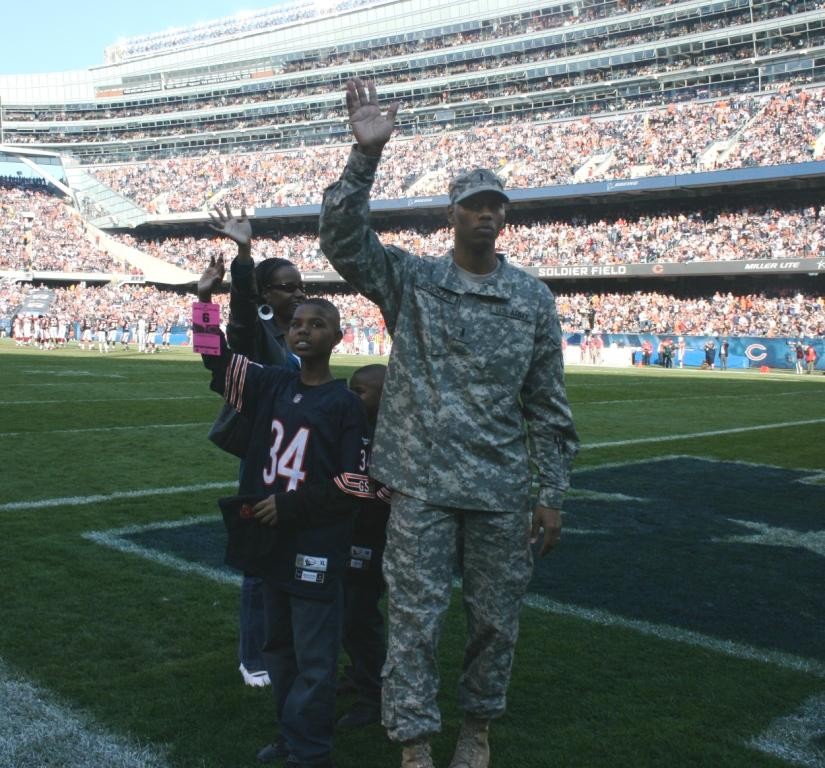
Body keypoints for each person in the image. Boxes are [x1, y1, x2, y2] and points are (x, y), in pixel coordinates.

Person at [319, 78, 579, 768]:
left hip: (498, 488)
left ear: (504, 218)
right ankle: (412, 740)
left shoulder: (529, 298)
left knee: (495, 621)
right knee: (413, 618)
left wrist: (550, 494)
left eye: (497, 206)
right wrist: (363, 156)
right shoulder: (412, 281)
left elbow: (548, 406)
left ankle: (477, 726)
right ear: (451, 214)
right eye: (474, 205)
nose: (487, 216)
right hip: (421, 486)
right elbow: (342, 240)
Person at [203, 298, 371, 768]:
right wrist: (204, 300)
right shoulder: (272, 384)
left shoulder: (344, 404)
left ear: (338, 338)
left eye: (317, 325)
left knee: (315, 660)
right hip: (270, 543)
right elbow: (215, 359)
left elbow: (355, 482)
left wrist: (291, 505)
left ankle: (312, 752)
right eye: (297, 324)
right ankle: (291, 735)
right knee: (279, 650)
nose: (303, 331)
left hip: (314, 546)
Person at [199, 205, 306, 689]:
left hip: (302, 456)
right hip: (264, 457)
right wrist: (244, 253)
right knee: (259, 559)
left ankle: (291, 645)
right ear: (266, 292)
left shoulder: (302, 333)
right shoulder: (258, 329)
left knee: (297, 555)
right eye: (288, 285)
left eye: (301, 284)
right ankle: (253, 655)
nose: (299, 292)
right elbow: (223, 340)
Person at [337, 364, 390, 731]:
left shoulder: (393, 435)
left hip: (375, 537)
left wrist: (341, 485)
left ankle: (374, 696)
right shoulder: (354, 426)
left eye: (361, 391)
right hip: (350, 531)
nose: (352, 397)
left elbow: (386, 490)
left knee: (360, 614)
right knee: (347, 610)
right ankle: (358, 673)